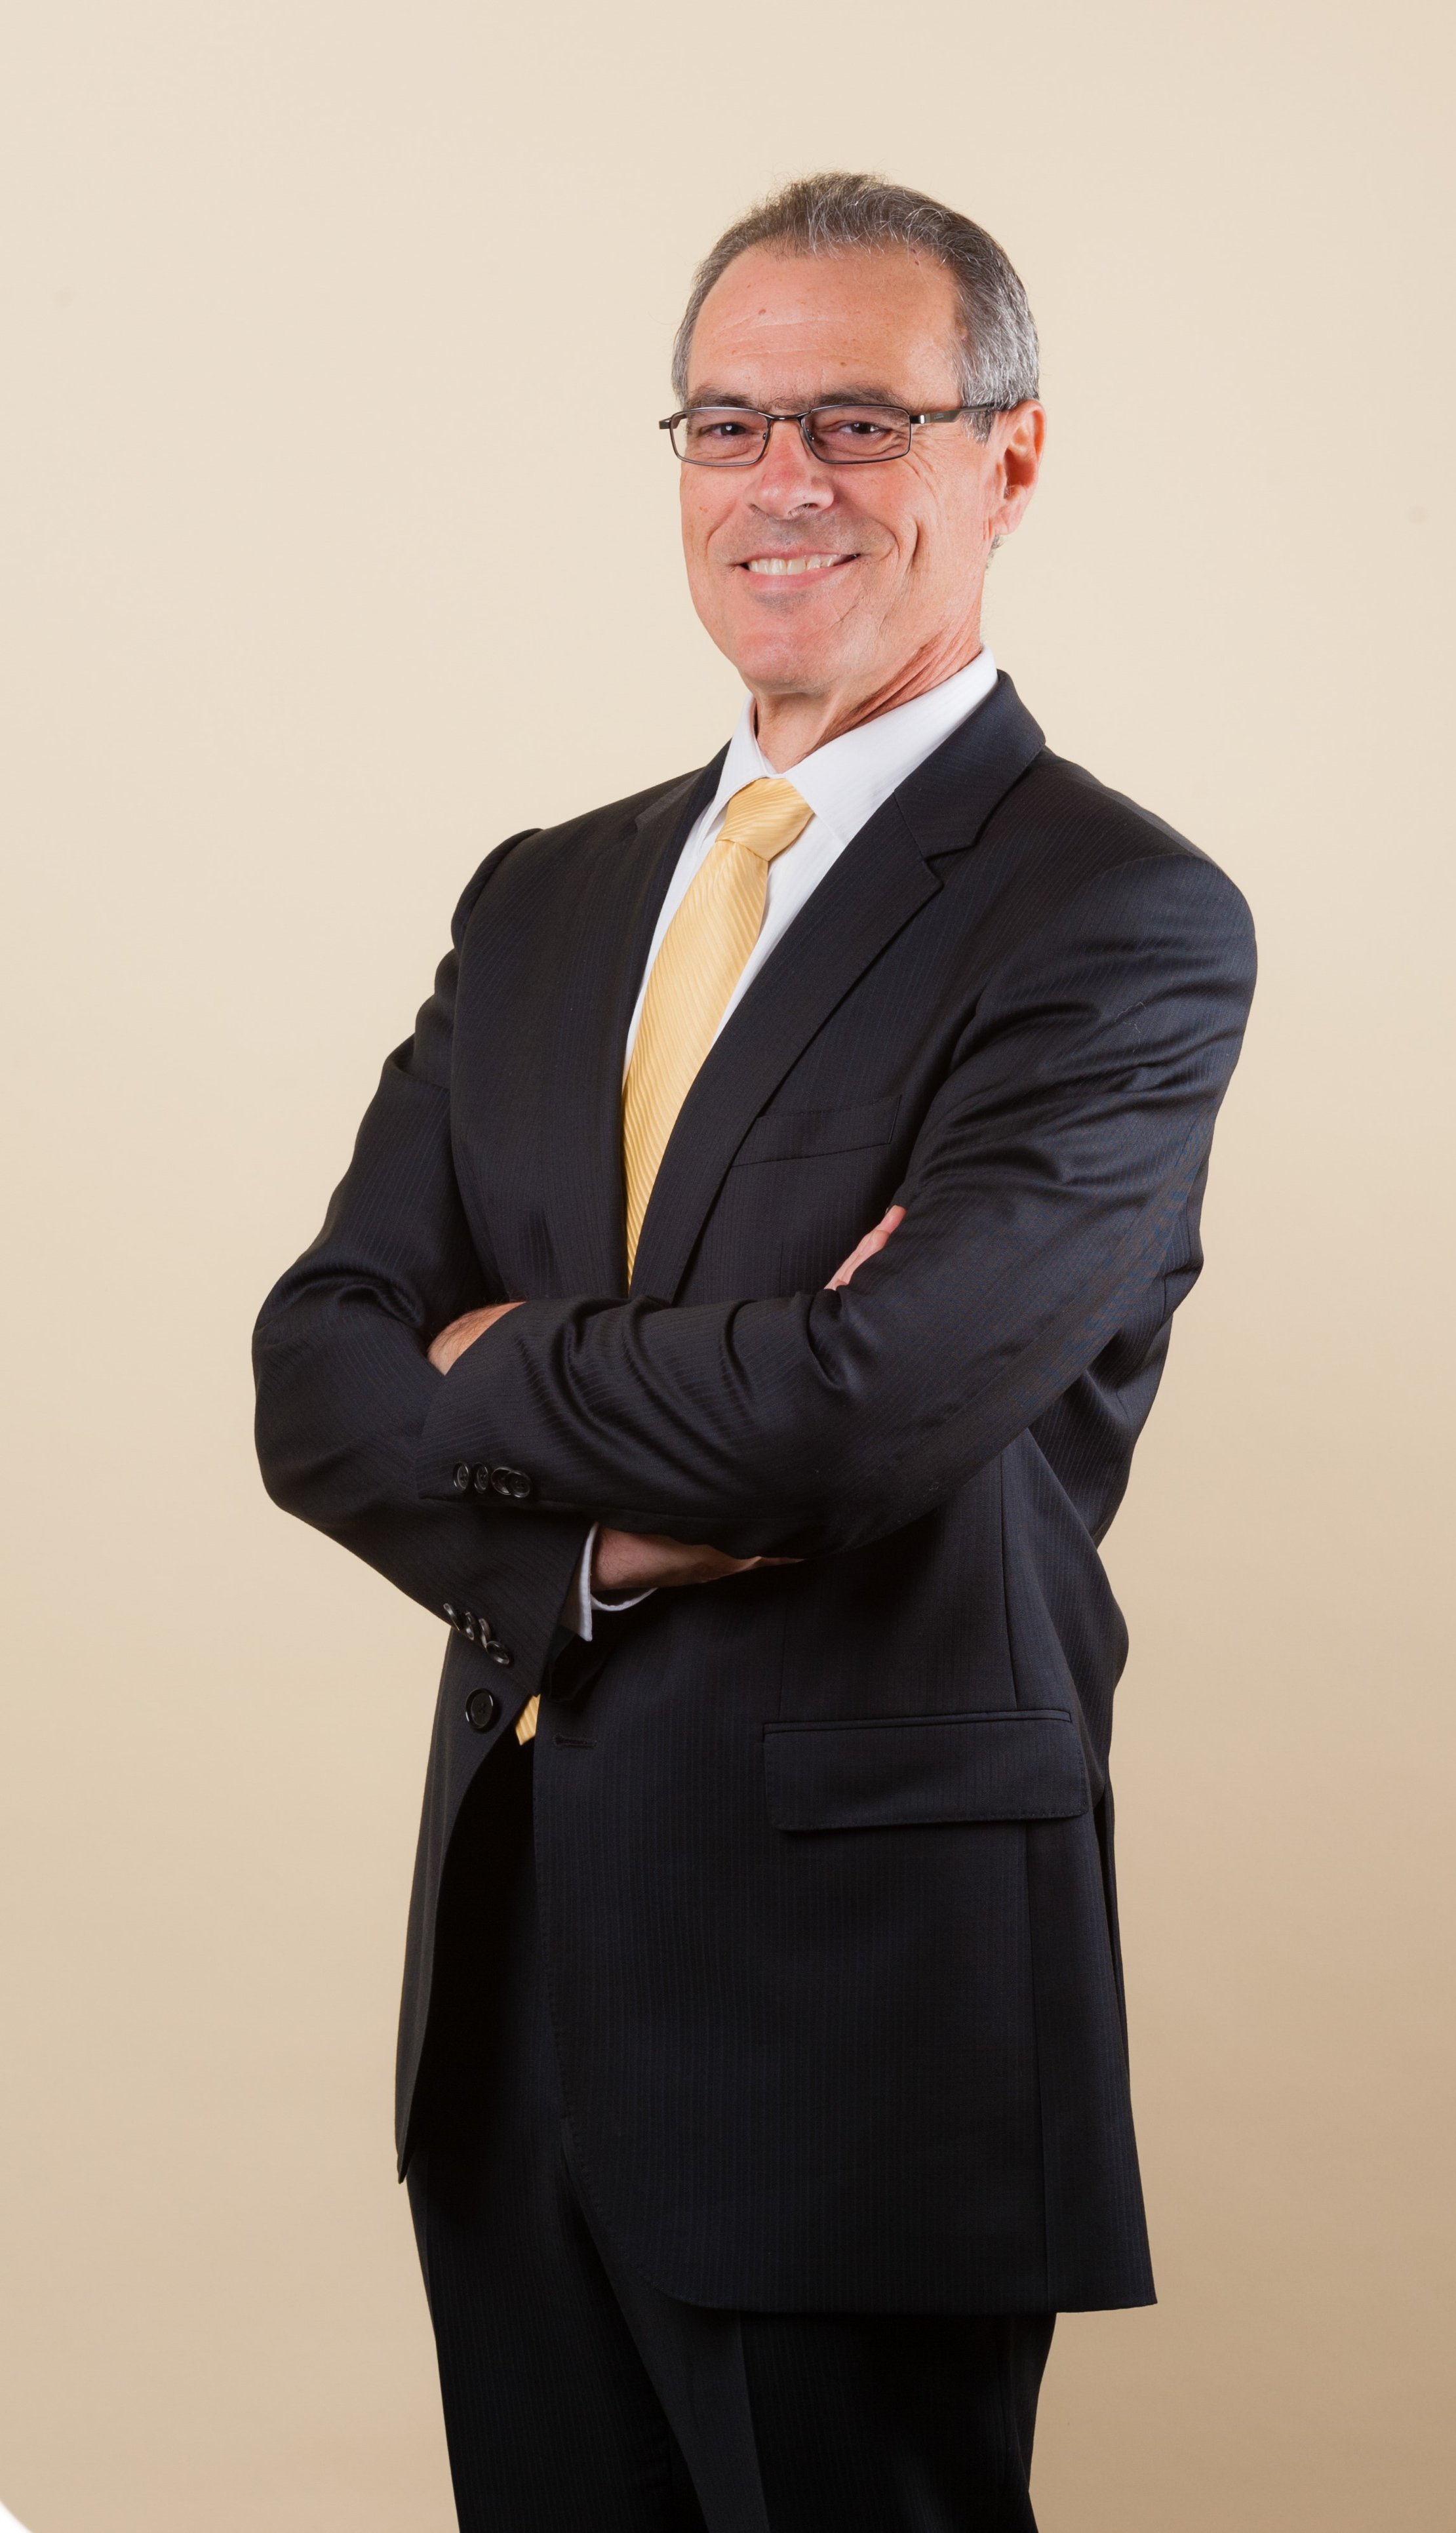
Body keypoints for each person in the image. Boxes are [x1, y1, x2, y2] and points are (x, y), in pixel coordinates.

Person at [254, 171, 1256, 2533]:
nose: (780, 480)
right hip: (515, 1978)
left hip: (859, 2006)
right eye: (726, 423)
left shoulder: (1115, 917)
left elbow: (864, 1410)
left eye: (854, 421)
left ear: (1007, 459)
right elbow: (315, 1375)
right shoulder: (548, 895)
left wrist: (493, 1361)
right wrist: (608, 1522)